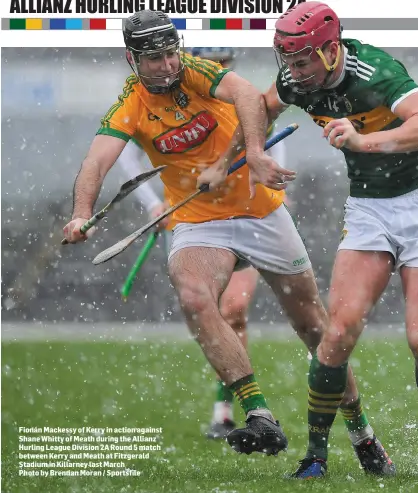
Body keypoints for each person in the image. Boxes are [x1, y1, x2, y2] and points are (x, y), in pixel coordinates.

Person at [62, 10, 394, 473]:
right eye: (152, 59)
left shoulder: (197, 72)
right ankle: (256, 411)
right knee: (195, 295)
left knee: (315, 329)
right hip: (199, 223)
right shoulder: (129, 105)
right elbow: (97, 162)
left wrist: (252, 154)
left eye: (168, 54)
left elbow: (248, 96)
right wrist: (82, 214)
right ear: (131, 59)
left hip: (262, 213)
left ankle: (362, 434)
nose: (164, 66)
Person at [260, 1, 418, 480]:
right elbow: (260, 104)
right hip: (370, 209)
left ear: (332, 50)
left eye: (304, 59)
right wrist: (253, 154)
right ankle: (316, 455)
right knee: (337, 336)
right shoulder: (296, 80)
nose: (294, 72)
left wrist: (361, 142)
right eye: (287, 61)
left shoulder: (375, 70)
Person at [114, 47, 289, 440]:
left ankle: (232, 408)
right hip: (193, 219)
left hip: (248, 213)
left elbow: (270, 138)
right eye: (213, 64)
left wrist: (267, 172)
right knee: (210, 309)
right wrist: (154, 202)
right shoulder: (166, 101)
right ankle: (227, 408)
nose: (219, 72)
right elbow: (128, 157)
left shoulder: (235, 94)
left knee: (236, 309)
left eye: (225, 65)